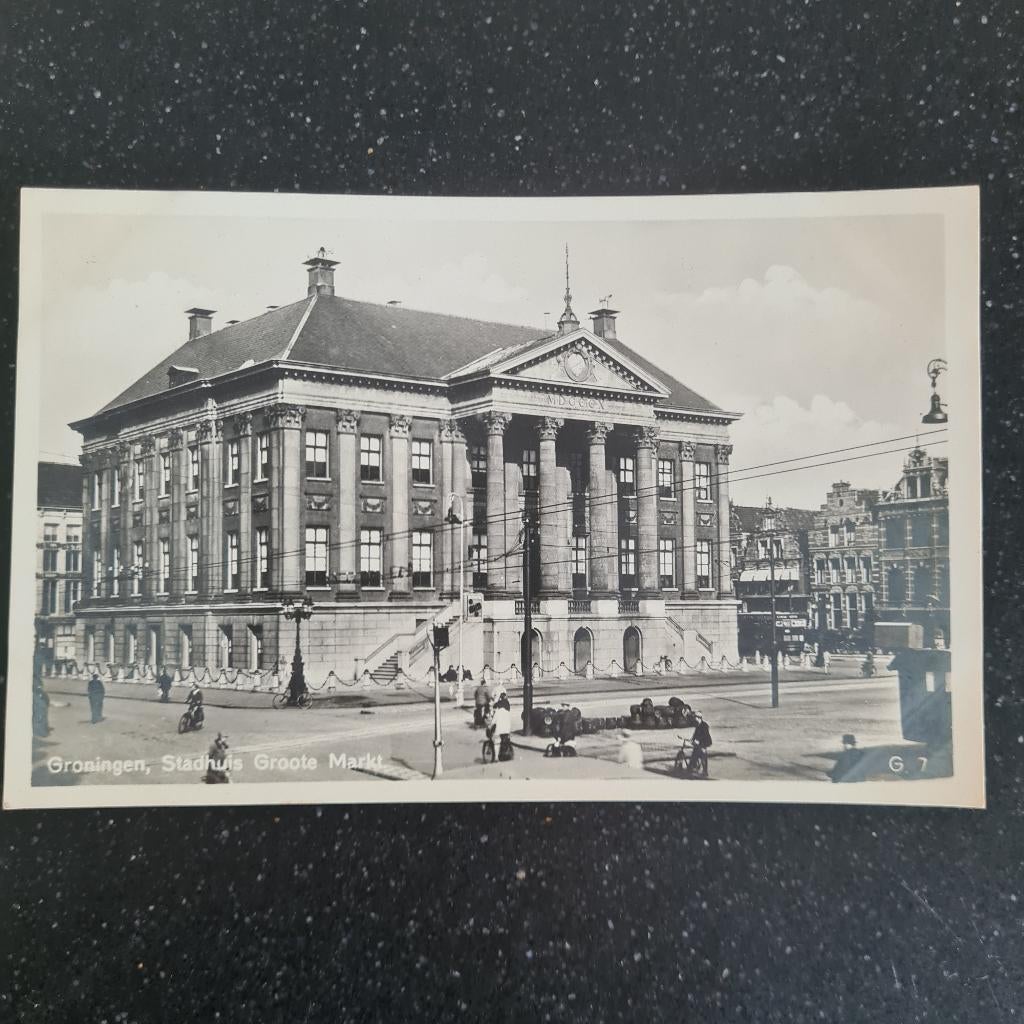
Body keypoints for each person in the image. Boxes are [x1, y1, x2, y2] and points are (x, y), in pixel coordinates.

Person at [491, 689, 512, 760]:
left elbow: (493, 722)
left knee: (496, 742)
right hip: (507, 730)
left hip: (499, 730)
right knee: (506, 739)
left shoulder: (498, 712)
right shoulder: (507, 712)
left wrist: (490, 726)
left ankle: (496, 758)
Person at [691, 711, 712, 776]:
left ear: (698, 718)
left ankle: (705, 771)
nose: (694, 719)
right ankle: (693, 767)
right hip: (699, 742)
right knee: (695, 753)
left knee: (703, 756)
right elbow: (695, 734)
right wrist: (692, 739)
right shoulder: (698, 725)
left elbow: (704, 735)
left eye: (695, 717)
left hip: (704, 742)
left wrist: (698, 740)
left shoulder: (704, 725)